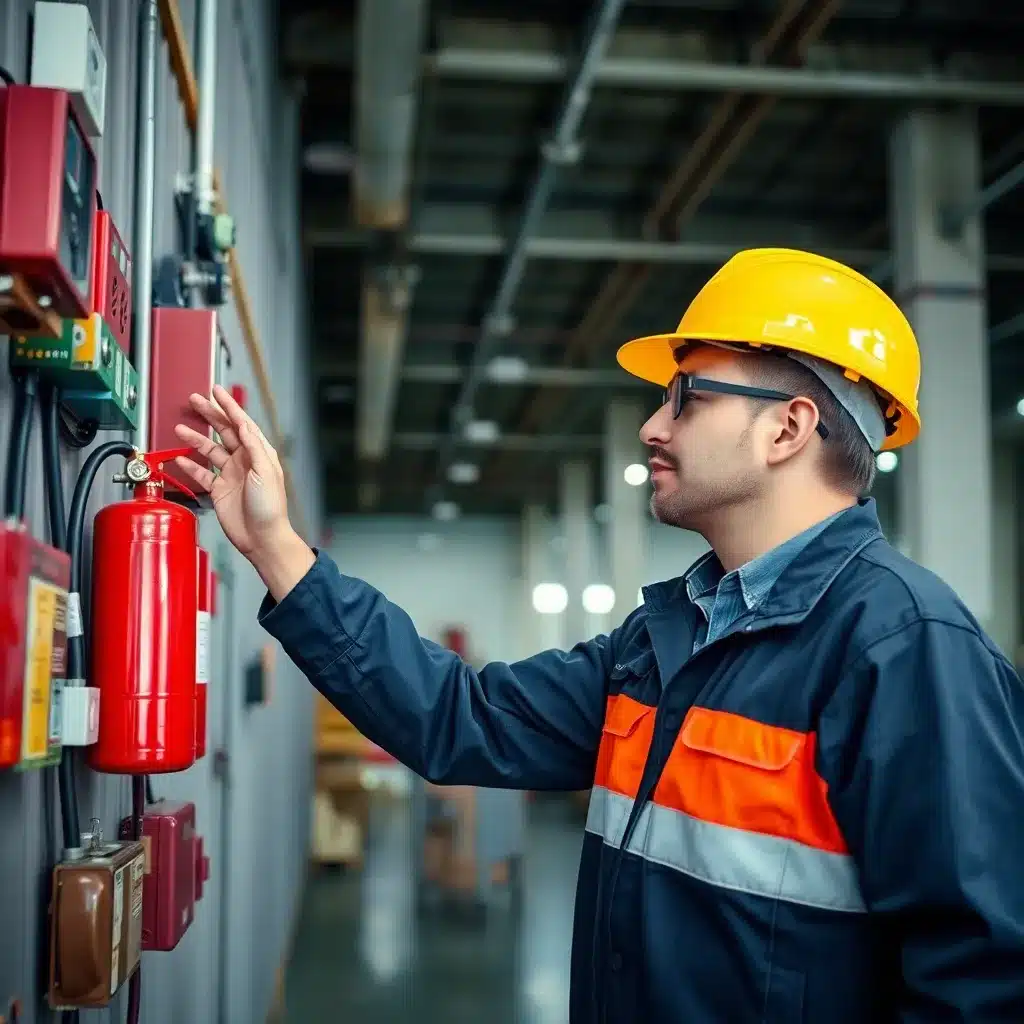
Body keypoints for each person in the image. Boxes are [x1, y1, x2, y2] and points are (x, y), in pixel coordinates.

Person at [173, 248, 1024, 1024]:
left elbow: (978, 984)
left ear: (788, 429)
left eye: (686, 396)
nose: (654, 427)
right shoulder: (663, 640)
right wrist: (278, 549)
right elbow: (459, 717)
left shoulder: (907, 649)